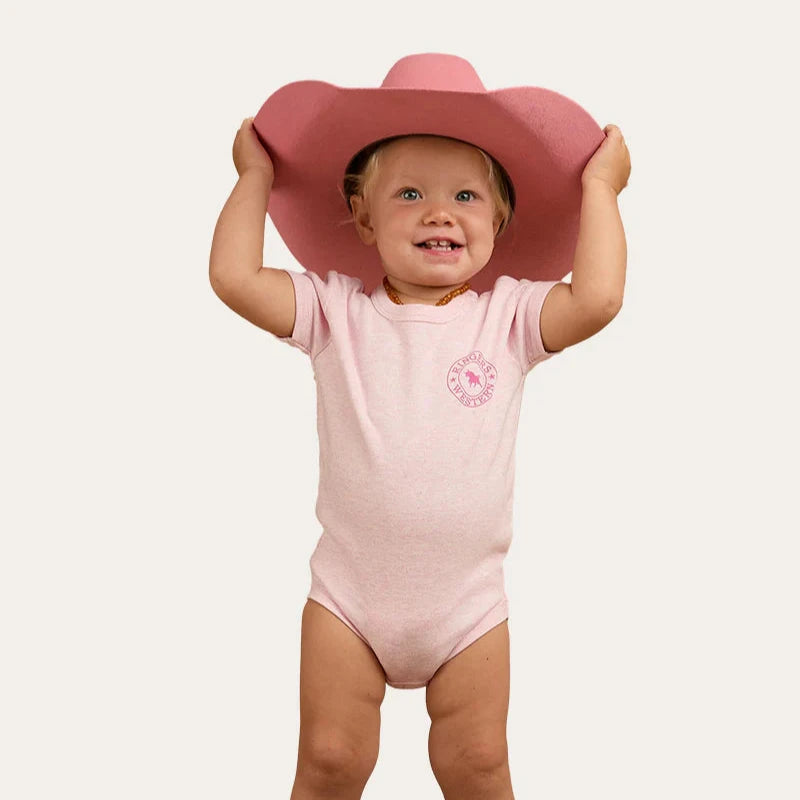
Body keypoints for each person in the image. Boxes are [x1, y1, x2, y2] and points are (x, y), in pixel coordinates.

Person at [209, 53, 630, 800]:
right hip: (348, 600)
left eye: (466, 195)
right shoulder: (334, 311)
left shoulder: (508, 318)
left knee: (479, 765)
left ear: (498, 222)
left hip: (467, 608)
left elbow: (596, 299)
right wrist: (254, 178)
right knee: (329, 760)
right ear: (364, 218)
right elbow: (235, 278)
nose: (440, 213)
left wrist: (601, 187)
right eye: (410, 193)